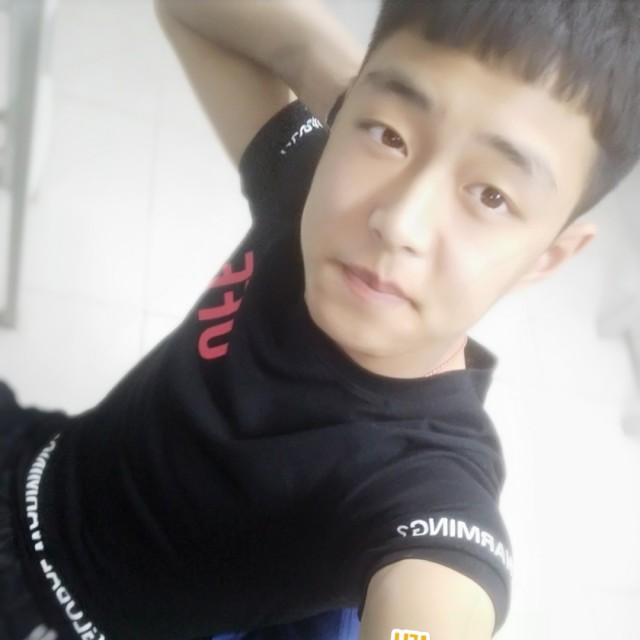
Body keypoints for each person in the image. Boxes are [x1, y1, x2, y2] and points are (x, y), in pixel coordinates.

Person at [1, 1, 639, 639]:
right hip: (36, 459)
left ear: (548, 256)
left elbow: (435, 605)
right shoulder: (304, 190)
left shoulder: (428, 484)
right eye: (390, 138)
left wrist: (388, 112)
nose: (399, 222)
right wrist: (360, 96)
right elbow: (189, 11)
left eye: (491, 195)